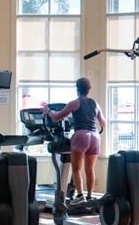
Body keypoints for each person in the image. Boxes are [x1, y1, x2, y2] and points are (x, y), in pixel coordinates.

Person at [42, 77, 106, 206]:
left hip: (81, 135)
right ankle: (89, 196)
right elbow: (103, 122)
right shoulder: (95, 103)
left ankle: (80, 195)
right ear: (89, 90)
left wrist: (47, 110)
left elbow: (57, 117)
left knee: (76, 168)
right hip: (94, 136)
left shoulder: (75, 103)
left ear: (77, 89)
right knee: (90, 169)